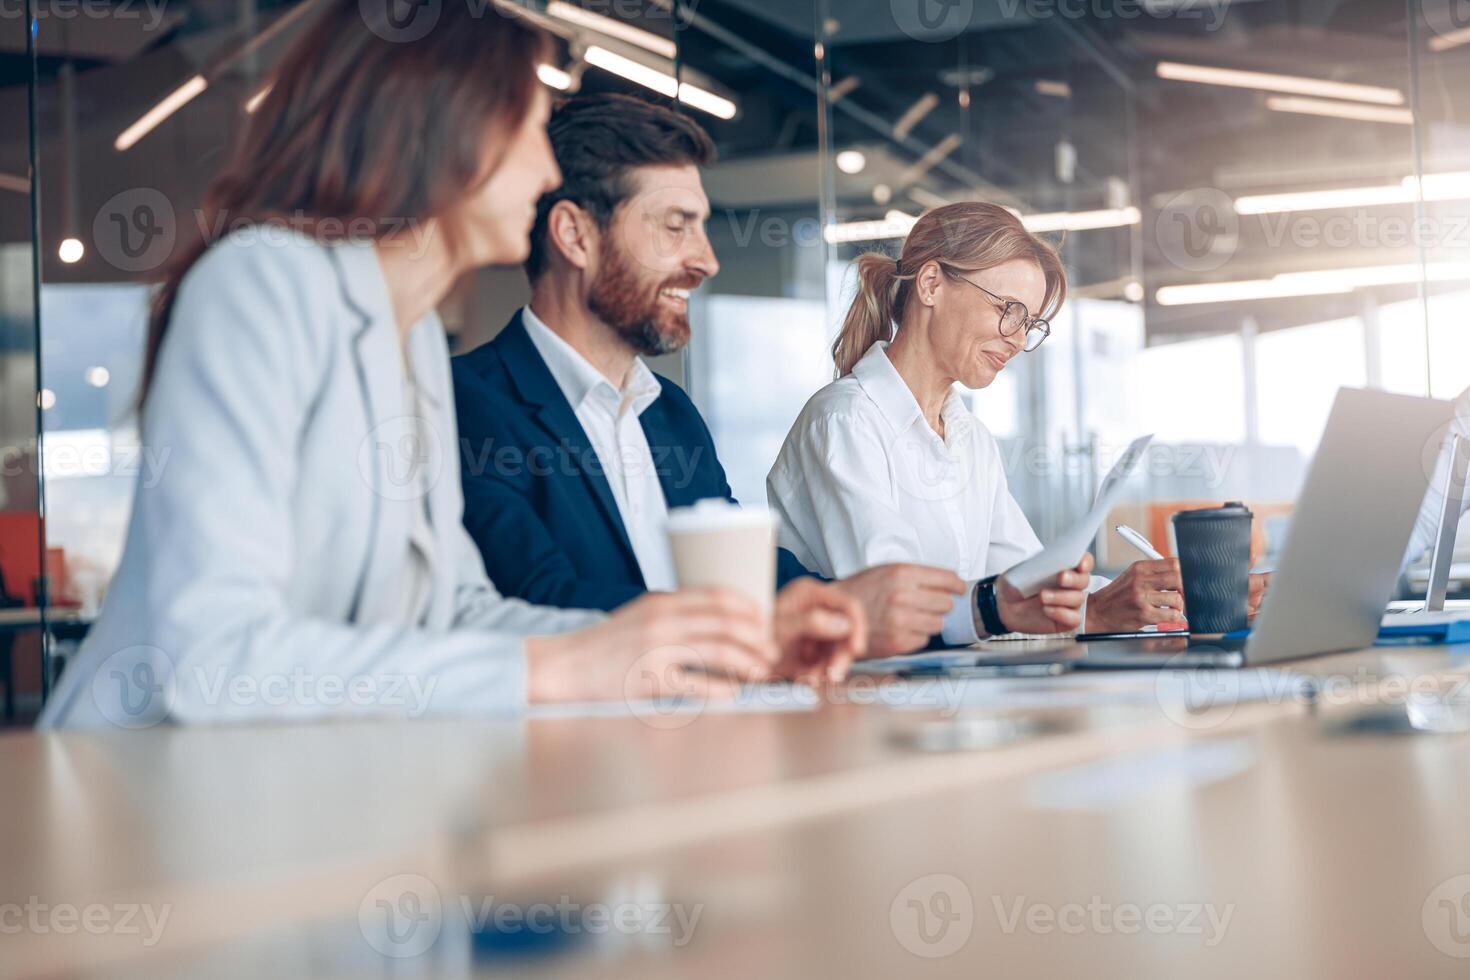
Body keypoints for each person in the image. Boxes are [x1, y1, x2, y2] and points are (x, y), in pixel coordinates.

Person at [39, 1, 863, 729]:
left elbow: (455, 612)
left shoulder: (415, 351)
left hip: (289, 812)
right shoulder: (260, 284)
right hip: (133, 813)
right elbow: (208, 658)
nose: (546, 173)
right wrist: (560, 667)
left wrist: (675, 647)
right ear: (447, 131)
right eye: (532, 132)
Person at [453, 94, 1090, 656]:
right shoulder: (466, 404)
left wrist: (873, 611)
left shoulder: (667, 414)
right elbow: (539, 602)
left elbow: (758, 578)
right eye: (677, 226)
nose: (705, 260)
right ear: (575, 235)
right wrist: (778, 625)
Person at [768, 203, 1189, 645]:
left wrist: (1144, 599)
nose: (1019, 338)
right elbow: (898, 609)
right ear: (931, 285)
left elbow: (1022, 584)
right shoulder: (844, 421)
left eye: (1029, 322)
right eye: (1009, 309)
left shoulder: (970, 440)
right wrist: (1090, 612)